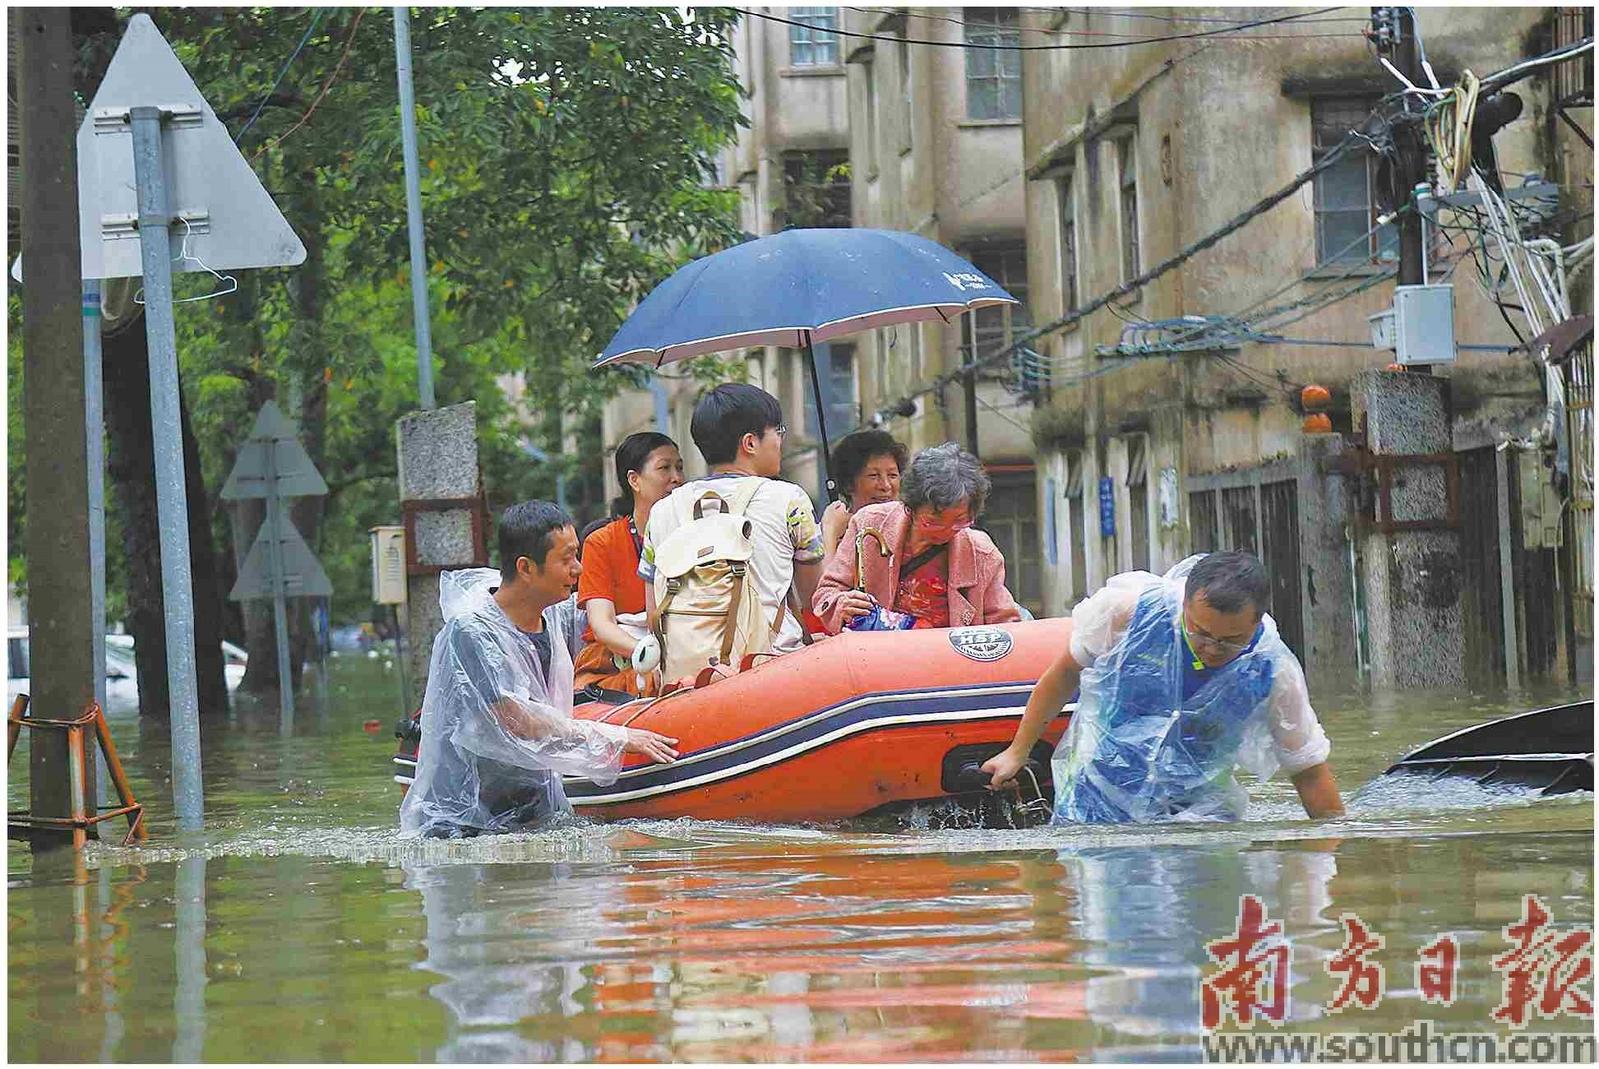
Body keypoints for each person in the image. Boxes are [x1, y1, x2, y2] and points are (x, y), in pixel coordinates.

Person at [982, 551, 1344, 824]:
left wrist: (1337, 857)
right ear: (1184, 603)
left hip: (1200, 815)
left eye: (1231, 640)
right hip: (1099, 799)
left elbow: (1309, 770)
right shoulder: (1129, 614)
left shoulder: (1271, 668)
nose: (1212, 648)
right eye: (1200, 632)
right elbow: (1063, 675)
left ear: (1256, 622)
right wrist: (1017, 751)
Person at [399, 501, 679, 839]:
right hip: (465, 822)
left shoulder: (559, 620)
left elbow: (620, 631)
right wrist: (617, 737)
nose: (578, 570)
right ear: (526, 568)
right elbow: (518, 723)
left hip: (536, 811)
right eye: (566, 559)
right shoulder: (471, 634)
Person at [640, 383, 824, 667]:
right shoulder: (790, 500)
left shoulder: (662, 511)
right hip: (773, 668)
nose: (781, 441)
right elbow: (814, 598)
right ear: (750, 443)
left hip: (688, 674)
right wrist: (834, 530)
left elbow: (655, 610)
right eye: (778, 431)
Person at [812, 442, 1021, 632]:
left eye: (959, 520)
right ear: (910, 508)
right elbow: (826, 594)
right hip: (877, 660)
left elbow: (1006, 625)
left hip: (950, 663)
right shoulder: (870, 524)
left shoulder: (981, 553)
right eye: (934, 521)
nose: (946, 531)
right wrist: (842, 605)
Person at [573, 432, 685, 695]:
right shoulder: (601, 542)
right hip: (620, 666)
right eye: (664, 468)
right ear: (634, 480)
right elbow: (602, 624)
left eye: (679, 467)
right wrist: (647, 653)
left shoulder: (694, 534)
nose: (677, 478)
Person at [819, 429, 909, 559]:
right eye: (873, 476)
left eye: (892, 475)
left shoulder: (910, 532)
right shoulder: (831, 534)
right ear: (848, 484)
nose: (886, 485)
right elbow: (824, 579)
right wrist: (830, 534)